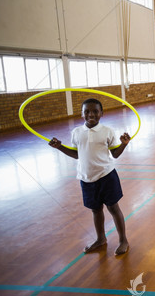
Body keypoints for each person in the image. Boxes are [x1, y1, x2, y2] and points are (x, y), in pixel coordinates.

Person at [49, 98, 130, 256]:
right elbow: (77, 154)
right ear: (82, 114)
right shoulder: (77, 132)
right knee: (95, 210)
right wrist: (59, 147)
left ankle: (123, 240)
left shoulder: (107, 131)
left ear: (101, 113)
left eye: (95, 111)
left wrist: (123, 144)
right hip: (86, 178)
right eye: (87, 111)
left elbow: (114, 154)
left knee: (114, 208)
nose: (91, 114)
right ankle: (101, 239)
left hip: (107, 175)